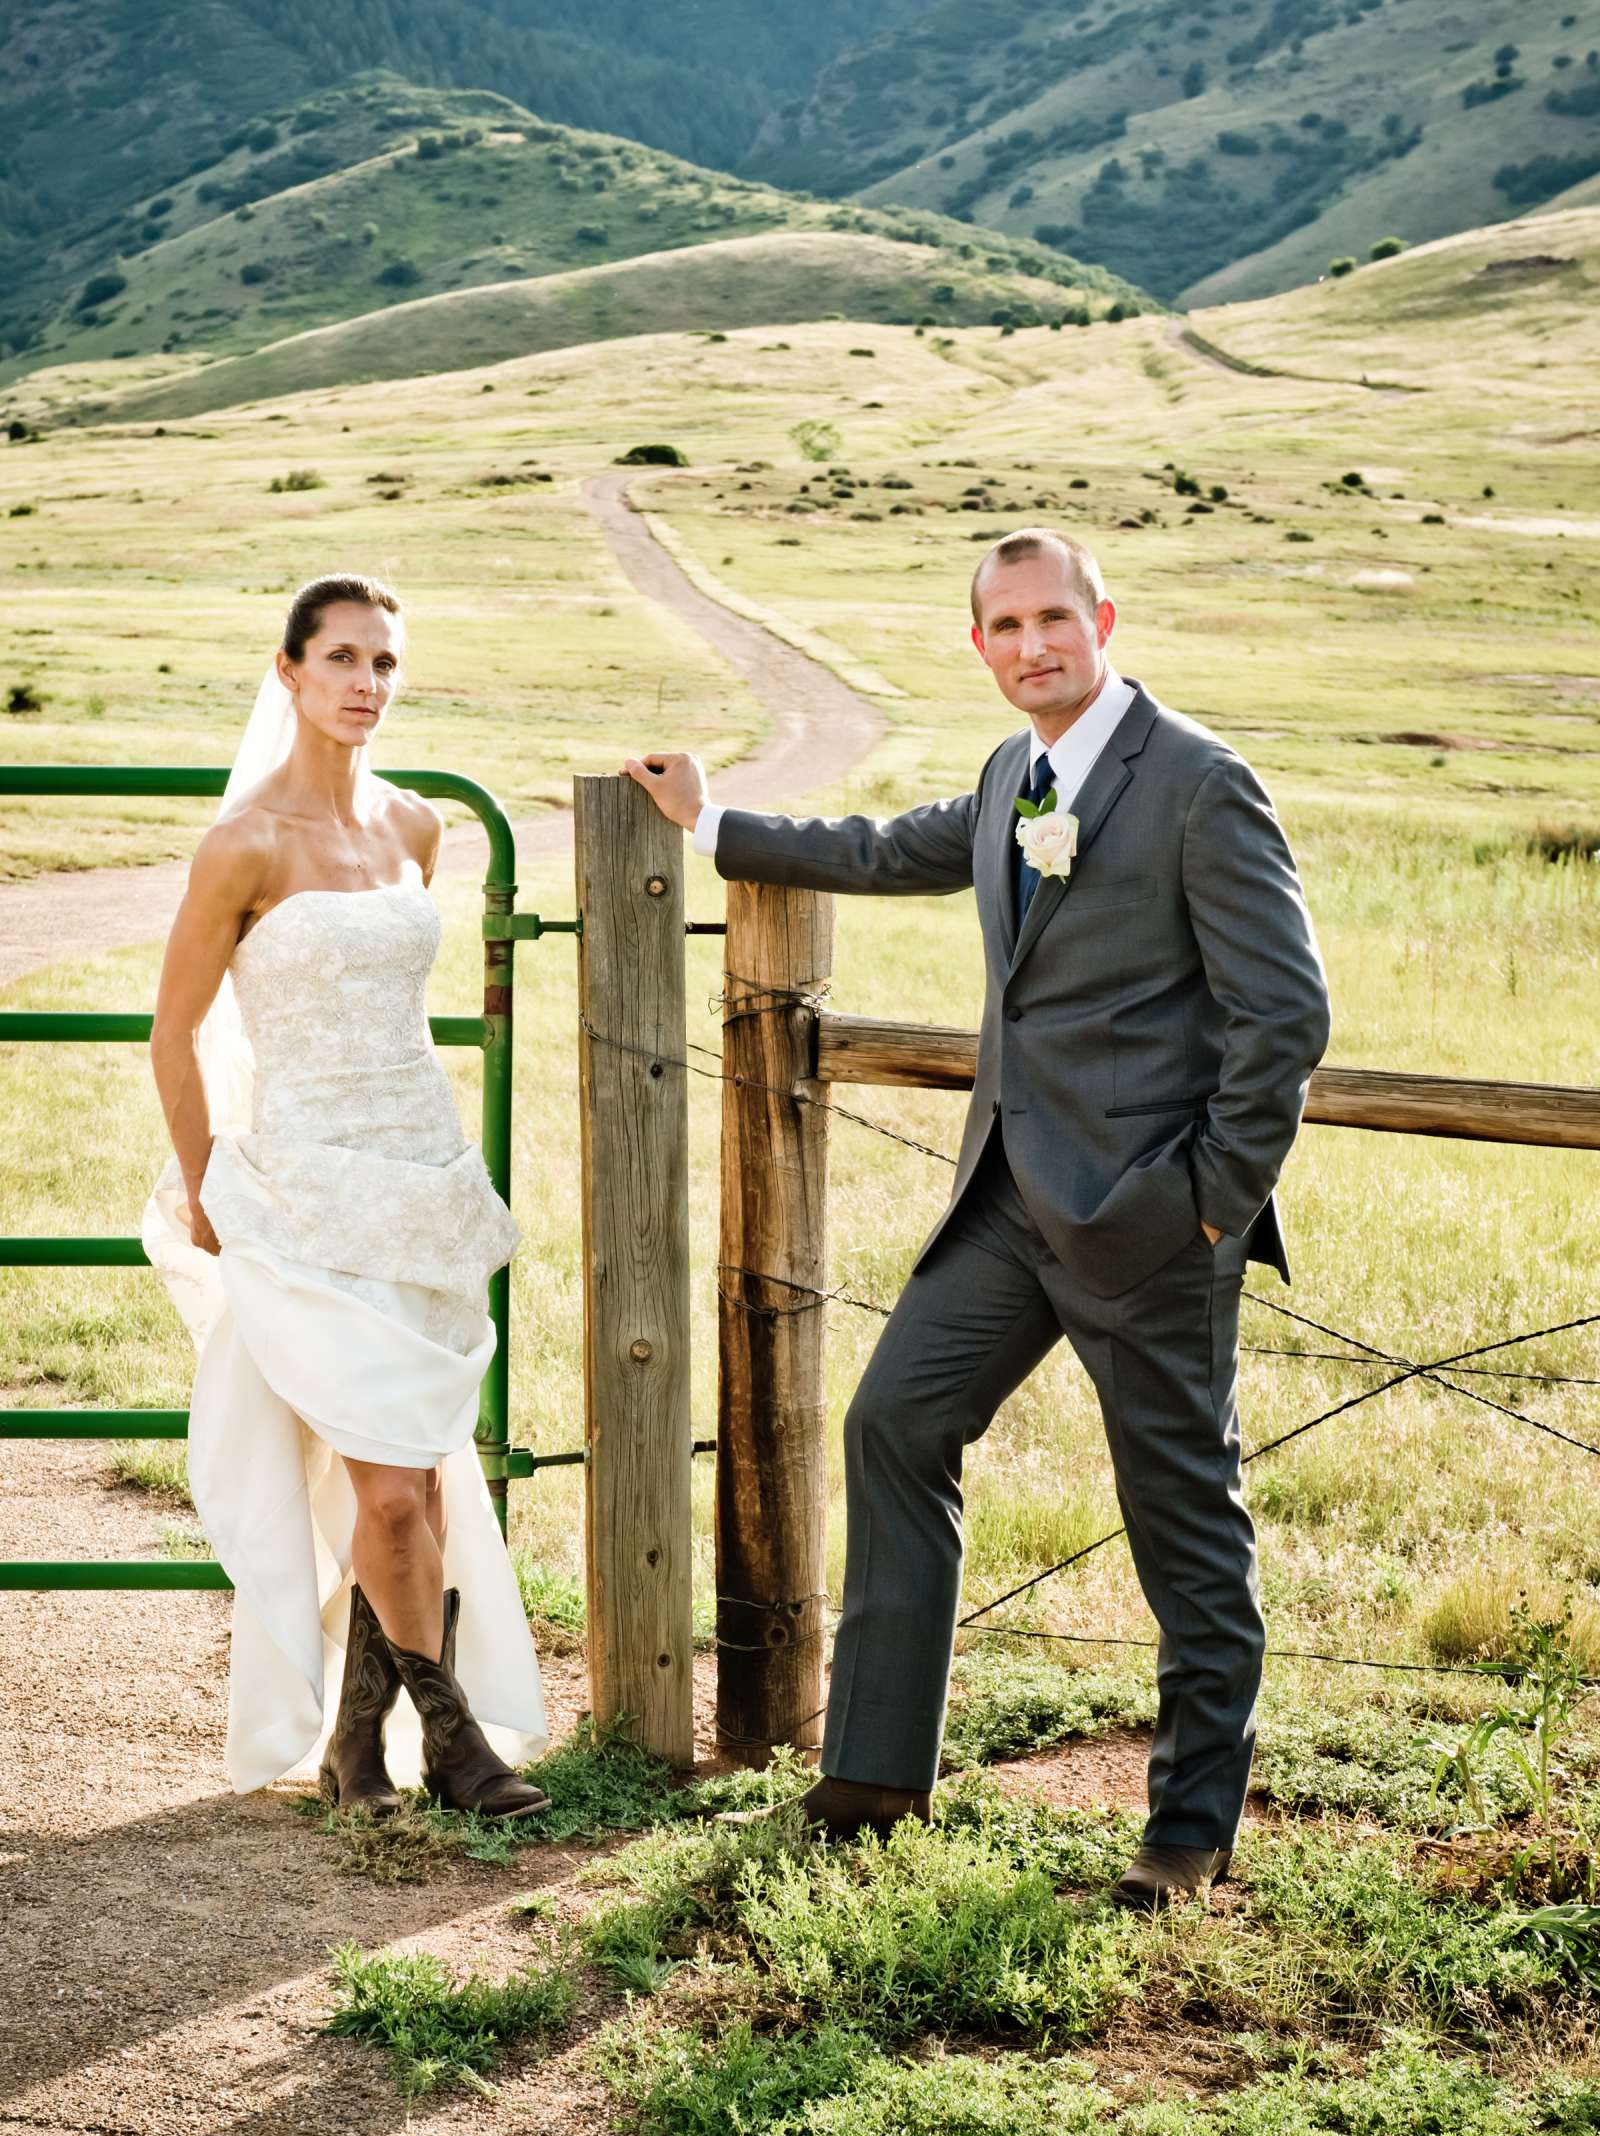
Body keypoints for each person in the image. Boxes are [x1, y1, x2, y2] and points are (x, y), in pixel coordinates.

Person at [627, 527, 1331, 1910]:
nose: (1031, 648)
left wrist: (1203, 1209)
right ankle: (880, 1771)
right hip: (1008, 1203)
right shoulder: (1019, 770)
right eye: (1004, 628)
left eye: (1052, 621)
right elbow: (896, 848)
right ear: (979, 645)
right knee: (895, 1422)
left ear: (1103, 618)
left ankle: (1188, 1831)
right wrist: (713, 819)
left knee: (1182, 1519)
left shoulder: (1197, 781)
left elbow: (1285, 1015)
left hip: (1148, 1226)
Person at [147, 573, 548, 1818]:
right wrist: (210, 1177)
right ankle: (460, 1745)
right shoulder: (245, 846)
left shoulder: (415, 829)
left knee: (419, 1482)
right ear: (289, 673)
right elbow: (173, 1035)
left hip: (419, 1180)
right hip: (307, 1188)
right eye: (340, 659)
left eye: (384, 662)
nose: (365, 683)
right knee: (383, 1488)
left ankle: (357, 1750)